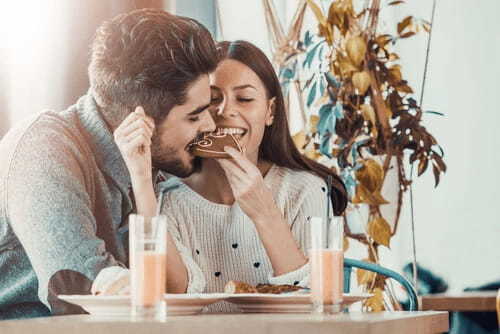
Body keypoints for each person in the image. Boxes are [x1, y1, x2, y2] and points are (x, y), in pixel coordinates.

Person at [0, 8, 218, 318]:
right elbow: (80, 289)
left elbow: (176, 290)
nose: (210, 126)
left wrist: (143, 183)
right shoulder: (44, 146)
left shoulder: (142, 166)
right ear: (141, 121)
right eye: (194, 115)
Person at [119, 40, 348, 312]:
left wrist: (265, 213)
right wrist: (142, 179)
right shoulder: (167, 198)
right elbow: (174, 298)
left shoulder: (305, 190)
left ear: (270, 112)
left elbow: (315, 307)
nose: (226, 110)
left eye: (245, 99)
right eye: (213, 99)